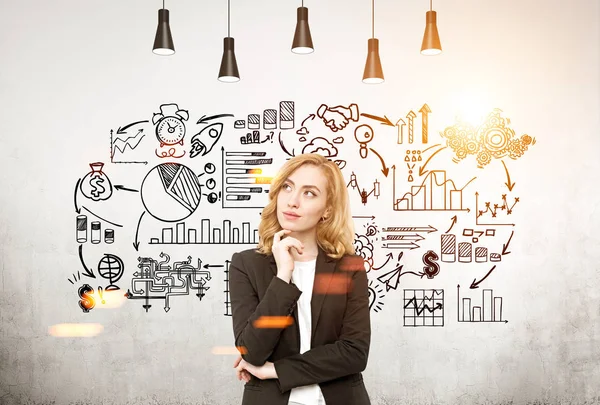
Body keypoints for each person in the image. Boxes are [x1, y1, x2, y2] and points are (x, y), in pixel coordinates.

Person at [229, 153, 371, 405]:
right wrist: (283, 276)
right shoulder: (246, 264)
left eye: (309, 193)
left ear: (327, 210)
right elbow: (252, 351)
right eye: (287, 187)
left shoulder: (350, 267)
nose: (293, 201)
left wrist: (275, 370)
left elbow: (353, 353)